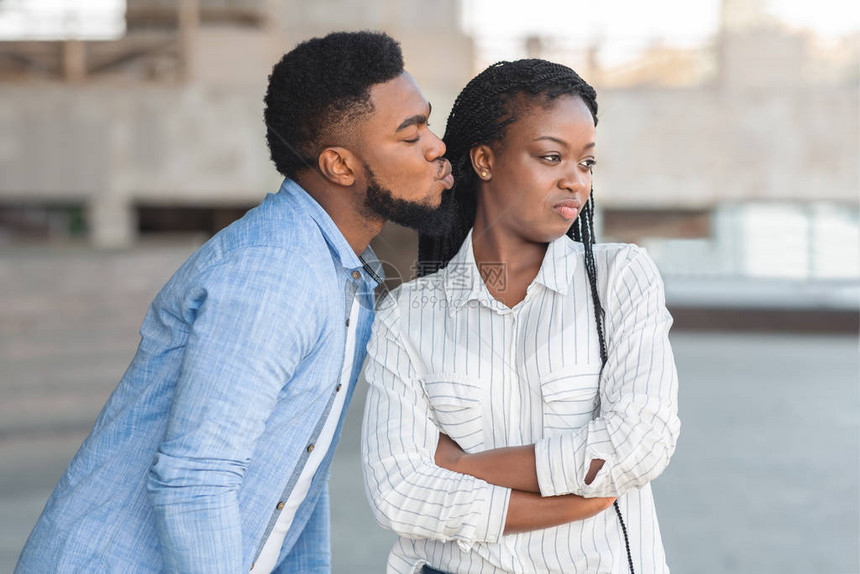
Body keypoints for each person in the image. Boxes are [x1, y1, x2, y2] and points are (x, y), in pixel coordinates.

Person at [16, 31, 455, 574]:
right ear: (340, 166)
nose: (437, 146)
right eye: (410, 136)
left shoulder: (340, 269)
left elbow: (300, 469)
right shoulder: (273, 272)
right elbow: (195, 481)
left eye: (427, 124)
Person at [361, 59, 681, 573]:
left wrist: (462, 467)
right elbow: (396, 493)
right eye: (552, 157)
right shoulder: (407, 317)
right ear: (484, 160)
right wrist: (565, 499)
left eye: (587, 163)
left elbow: (639, 443)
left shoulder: (621, 278)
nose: (576, 181)